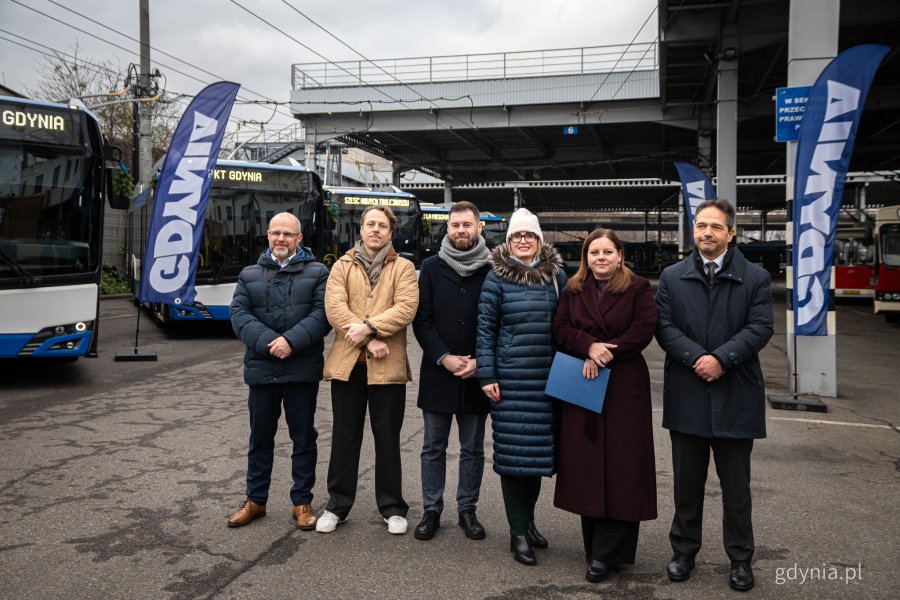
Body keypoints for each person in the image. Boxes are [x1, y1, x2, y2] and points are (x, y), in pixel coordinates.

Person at [655, 198, 774, 592]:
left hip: (735, 395)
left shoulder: (755, 278)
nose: (707, 232)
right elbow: (664, 327)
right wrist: (697, 358)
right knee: (686, 485)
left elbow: (760, 327)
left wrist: (722, 359)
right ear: (693, 230)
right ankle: (684, 552)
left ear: (731, 233)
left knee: (736, 489)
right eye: (701, 226)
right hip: (687, 394)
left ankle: (740, 559)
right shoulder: (672, 277)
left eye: (716, 227)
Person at [552, 228, 658, 583]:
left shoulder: (638, 287)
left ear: (619, 255)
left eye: (607, 252)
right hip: (585, 382)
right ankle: (595, 548)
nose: (600, 257)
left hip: (624, 384)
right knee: (589, 467)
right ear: (586, 257)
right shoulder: (573, 287)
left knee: (623, 468)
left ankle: (609, 553)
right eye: (594, 252)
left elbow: (644, 328)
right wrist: (587, 346)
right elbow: (560, 327)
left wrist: (604, 352)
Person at [317, 205, 419, 536]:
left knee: (387, 438)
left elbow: (406, 308)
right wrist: (369, 340)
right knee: (344, 437)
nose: (376, 229)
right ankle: (337, 505)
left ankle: (392, 507)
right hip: (348, 367)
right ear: (361, 230)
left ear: (390, 232)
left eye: (382, 225)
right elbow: (335, 309)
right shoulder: (341, 266)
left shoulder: (404, 267)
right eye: (370, 224)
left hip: (388, 367)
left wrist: (370, 327)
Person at [228, 212, 331, 530]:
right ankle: (255, 500)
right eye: (276, 233)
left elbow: (322, 314)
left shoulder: (318, 272)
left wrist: (291, 342)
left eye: (288, 234)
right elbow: (239, 314)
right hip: (263, 368)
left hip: (301, 369)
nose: (281, 239)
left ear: (299, 238)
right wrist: (271, 342)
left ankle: (302, 502)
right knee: (260, 438)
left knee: (304, 438)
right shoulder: (249, 274)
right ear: (268, 235)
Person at [476, 208, 567, 566]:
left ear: (539, 240)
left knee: (537, 457)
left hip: (548, 381)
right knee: (514, 458)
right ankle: (517, 533)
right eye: (517, 235)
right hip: (511, 381)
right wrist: (487, 375)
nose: (524, 240)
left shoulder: (556, 275)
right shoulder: (496, 278)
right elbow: (485, 330)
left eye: (530, 235)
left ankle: (528, 522)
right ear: (509, 240)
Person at [412, 201, 492, 542]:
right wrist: (443, 357)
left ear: (479, 228)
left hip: (476, 373)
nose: (461, 230)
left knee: (473, 448)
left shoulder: (493, 268)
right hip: (439, 373)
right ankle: (432, 510)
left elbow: (498, 322)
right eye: (455, 225)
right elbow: (422, 319)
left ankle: (467, 510)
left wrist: (481, 362)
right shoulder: (431, 267)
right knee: (433, 446)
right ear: (447, 228)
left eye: (467, 224)